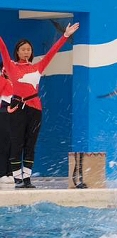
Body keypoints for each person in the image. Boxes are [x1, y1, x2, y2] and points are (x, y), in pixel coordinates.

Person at [0, 22, 80, 188]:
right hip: (17, 107)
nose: (26, 52)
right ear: (17, 51)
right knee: (17, 144)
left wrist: (65, 36)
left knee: (30, 145)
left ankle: (27, 180)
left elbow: (52, 52)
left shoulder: (38, 67)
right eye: (23, 49)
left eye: (28, 49)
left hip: (35, 109)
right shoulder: (11, 66)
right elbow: (2, 48)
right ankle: (18, 180)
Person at [0, 65, 12, 187]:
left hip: (15, 115)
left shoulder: (17, 83)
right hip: (3, 113)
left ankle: (10, 172)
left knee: (12, 144)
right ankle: (2, 172)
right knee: (3, 144)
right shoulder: (2, 80)